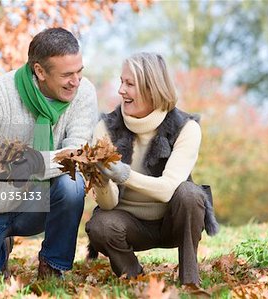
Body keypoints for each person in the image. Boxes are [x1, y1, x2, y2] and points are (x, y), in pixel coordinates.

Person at [0, 28, 98, 279]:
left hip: (38, 203)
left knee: (72, 183)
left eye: (80, 71)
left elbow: (75, 156)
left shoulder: (83, 93)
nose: (76, 81)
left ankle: (52, 264)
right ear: (39, 71)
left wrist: (32, 163)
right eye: (67, 74)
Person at [85, 52, 218, 286]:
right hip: (128, 223)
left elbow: (168, 189)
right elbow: (108, 205)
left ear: (151, 88)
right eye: (121, 82)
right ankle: (135, 278)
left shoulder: (186, 128)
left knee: (190, 194)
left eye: (129, 84)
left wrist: (124, 174)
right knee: (100, 225)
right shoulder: (105, 128)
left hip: (173, 219)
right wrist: (103, 180)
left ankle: (190, 279)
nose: (121, 90)